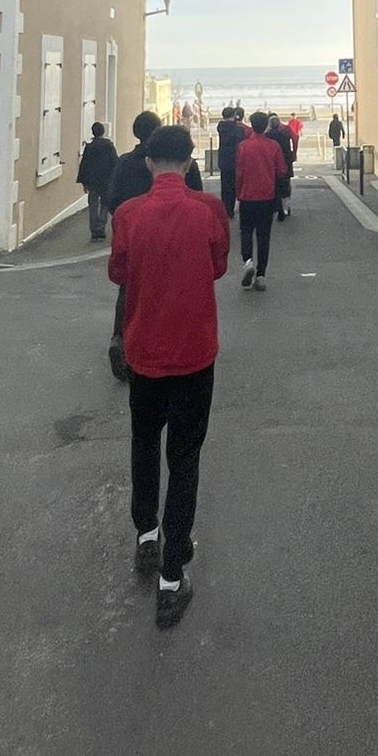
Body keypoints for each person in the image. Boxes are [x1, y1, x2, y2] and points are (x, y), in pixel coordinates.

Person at [107, 124, 229, 630]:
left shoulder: (128, 214)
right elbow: (218, 267)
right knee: (184, 459)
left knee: (143, 442)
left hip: (144, 352)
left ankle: (145, 534)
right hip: (195, 353)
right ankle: (172, 576)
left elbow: (118, 272)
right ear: (190, 161)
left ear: (148, 163)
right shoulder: (209, 210)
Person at [104, 112, 203, 382]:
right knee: (172, 290)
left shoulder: (125, 162)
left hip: (134, 234)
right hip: (175, 235)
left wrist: (124, 221)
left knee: (129, 289)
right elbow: (197, 197)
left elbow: (112, 198)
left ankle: (120, 337)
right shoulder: (181, 164)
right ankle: (169, 343)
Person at [234, 110, 284, 292]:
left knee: (246, 231)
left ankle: (248, 261)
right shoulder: (273, 146)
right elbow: (281, 170)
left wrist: (238, 195)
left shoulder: (243, 146)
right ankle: (261, 275)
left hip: (247, 195)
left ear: (251, 124)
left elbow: (239, 173)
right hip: (267, 196)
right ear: (266, 126)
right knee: (264, 236)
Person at [75, 122, 118, 242]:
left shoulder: (89, 147)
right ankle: (101, 227)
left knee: (93, 205)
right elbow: (115, 162)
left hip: (93, 181)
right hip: (106, 180)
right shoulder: (109, 146)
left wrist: (84, 183)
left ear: (93, 132)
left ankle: (94, 231)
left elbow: (84, 165)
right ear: (103, 132)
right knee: (105, 204)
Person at [214, 106, 247, 220]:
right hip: (234, 160)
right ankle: (231, 209)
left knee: (225, 186)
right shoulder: (237, 129)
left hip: (223, 159)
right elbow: (240, 145)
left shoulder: (221, 127)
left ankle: (225, 208)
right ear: (234, 116)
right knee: (233, 186)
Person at [267, 112, 295, 220]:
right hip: (286, 161)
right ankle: (286, 208)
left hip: (272, 163)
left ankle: (276, 207)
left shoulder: (267, 136)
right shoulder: (285, 133)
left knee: (274, 185)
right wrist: (294, 153)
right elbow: (295, 139)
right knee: (286, 185)